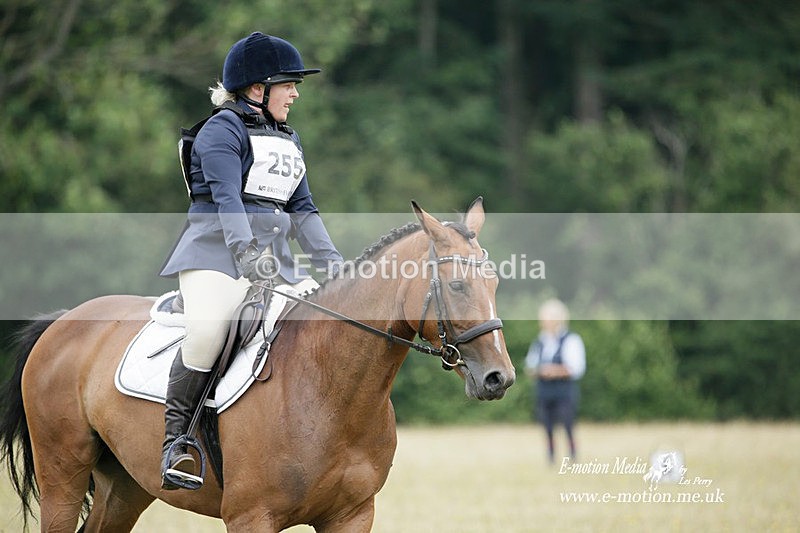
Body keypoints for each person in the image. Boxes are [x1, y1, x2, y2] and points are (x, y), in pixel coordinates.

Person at [158, 32, 343, 490]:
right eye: (289, 85)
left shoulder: (286, 138)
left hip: (276, 262)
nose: (296, 94)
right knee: (206, 333)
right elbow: (227, 201)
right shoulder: (221, 131)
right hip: (216, 257)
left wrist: (334, 264)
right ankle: (176, 442)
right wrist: (245, 254)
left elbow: (303, 209)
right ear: (258, 88)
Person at [524, 298, 586, 464]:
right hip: (544, 391)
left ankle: (573, 455)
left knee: (568, 424)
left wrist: (553, 371)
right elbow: (530, 365)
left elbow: (576, 367)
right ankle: (551, 456)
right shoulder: (540, 341)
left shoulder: (571, 339)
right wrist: (539, 371)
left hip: (564, 391)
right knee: (547, 426)